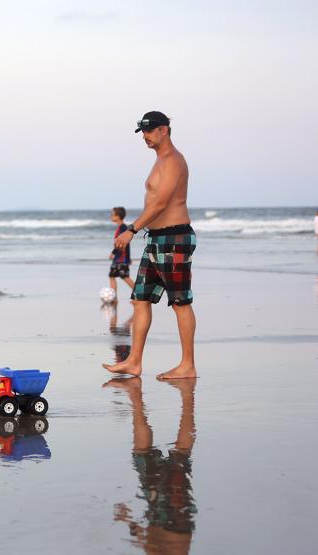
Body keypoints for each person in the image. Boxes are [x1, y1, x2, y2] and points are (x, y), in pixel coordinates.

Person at [103, 111, 197, 380]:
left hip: (175, 238)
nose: (144, 136)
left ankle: (188, 365)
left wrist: (132, 229)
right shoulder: (159, 161)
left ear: (164, 130)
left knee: (180, 302)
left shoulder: (173, 161)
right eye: (142, 131)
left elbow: (161, 203)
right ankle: (133, 361)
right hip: (156, 239)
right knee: (140, 299)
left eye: (149, 130)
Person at [105, 377, 197, 553]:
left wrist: (130, 522)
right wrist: (130, 522)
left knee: (176, 456)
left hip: (173, 526)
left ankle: (184, 397)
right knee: (159, 455)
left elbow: (149, 543)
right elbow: (151, 545)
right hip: (171, 526)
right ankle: (183, 396)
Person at [108, 206, 136, 299]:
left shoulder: (123, 228)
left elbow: (123, 243)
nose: (111, 216)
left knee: (125, 277)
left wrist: (113, 252)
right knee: (112, 276)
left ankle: (139, 295)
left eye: (113, 214)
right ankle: (113, 298)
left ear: (118, 216)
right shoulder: (120, 227)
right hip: (118, 258)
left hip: (122, 258)